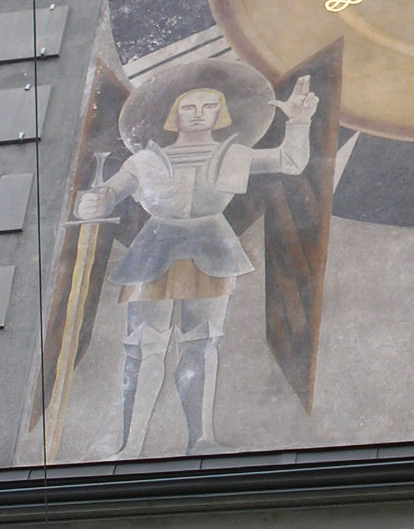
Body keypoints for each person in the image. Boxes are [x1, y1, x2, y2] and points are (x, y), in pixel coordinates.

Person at [75, 75, 318, 456]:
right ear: (173, 115)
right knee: (143, 345)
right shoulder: (145, 161)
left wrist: (300, 120)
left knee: (202, 343)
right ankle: (131, 445)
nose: (198, 113)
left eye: (208, 106)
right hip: (154, 249)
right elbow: (110, 192)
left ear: (221, 115)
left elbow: (290, 161)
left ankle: (201, 440)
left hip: (211, 244)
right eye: (188, 106)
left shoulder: (233, 154)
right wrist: (92, 201)